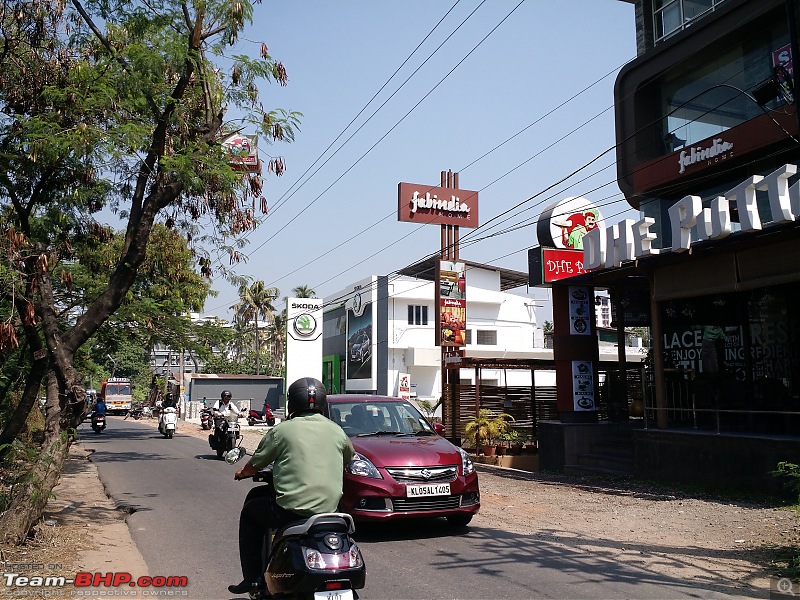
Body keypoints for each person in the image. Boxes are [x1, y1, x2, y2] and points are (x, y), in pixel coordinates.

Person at [228, 377, 354, 596]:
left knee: (250, 513)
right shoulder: (336, 431)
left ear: (292, 403)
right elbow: (347, 459)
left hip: (290, 512)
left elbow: (255, 464)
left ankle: (253, 579)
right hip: (330, 511)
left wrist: (242, 473)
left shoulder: (281, 431)